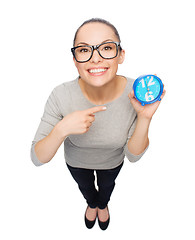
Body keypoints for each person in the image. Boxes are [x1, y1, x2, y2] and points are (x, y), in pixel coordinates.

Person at [30, 18, 166, 230]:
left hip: (112, 163)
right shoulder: (61, 94)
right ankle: (91, 203)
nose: (95, 58)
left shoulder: (137, 92)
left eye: (107, 48)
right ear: (75, 59)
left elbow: (134, 156)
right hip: (76, 162)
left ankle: (102, 204)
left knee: (107, 187)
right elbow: (38, 159)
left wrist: (145, 117)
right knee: (85, 187)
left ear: (121, 55)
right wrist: (62, 128)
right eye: (84, 50)